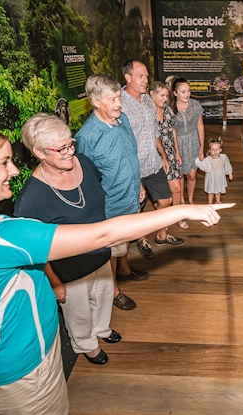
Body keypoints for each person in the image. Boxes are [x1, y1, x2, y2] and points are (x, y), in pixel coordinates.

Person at [0, 122, 230, 415]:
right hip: (19, 368)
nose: (13, 170)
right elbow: (102, 234)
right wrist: (182, 211)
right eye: (4, 162)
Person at [14, 113, 118, 365]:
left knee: (103, 299)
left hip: (100, 255)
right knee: (79, 313)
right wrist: (55, 282)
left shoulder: (83, 162)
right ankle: (87, 344)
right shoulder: (30, 199)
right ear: (39, 153)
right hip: (69, 271)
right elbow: (34, 252)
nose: (70, 152)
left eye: (71, 143)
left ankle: (102, 329)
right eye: (61, 149)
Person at [74, 74, 143, 311]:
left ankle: (124, 270)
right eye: (112, 99)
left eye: (119, 97)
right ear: (95, 101)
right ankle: (114, 292)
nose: (119, 104)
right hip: (110, 207)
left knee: (123, 245)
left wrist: (139, 185)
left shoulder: (122, 119)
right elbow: (86, 180)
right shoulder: (87, 137)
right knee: (112, 251)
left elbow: (130, 156)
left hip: (131, 196)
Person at [121, 59, 185, 254]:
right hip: (135, 167)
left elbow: (154, 133)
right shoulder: (121, 105)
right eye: (141, 76)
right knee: (137, 208)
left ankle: (161, 235)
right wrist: (136, 179)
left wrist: (164, 156)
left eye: (147, 76)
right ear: (128, 77)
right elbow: (123, 143)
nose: (145, 80)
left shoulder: (148, 100)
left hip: (154, 163)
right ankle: (141, 239)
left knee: (165, 201)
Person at [149, 81, 187, 229]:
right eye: (162, 95)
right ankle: (161, 221)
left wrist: (177, 152)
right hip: (154, 156)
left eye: (166, 95)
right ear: (152, 94)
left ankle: (175, 218)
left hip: (170, 154)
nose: (165, 99)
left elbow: (173, 131)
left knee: (176, 188)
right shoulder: (146, 113)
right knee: (160, 195)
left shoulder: (167, 110)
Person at [171, 77, 205, 204]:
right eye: (183, 92)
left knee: (192, 175)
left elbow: (200, 126)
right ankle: (182, 200)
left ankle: (190, 199)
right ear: (175, 93)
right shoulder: (170, 108)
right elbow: (172, 131)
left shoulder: (195, 105)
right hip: (177, 144)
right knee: (179, 175)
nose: (187, 94)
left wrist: (202, 147)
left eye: (188, 91)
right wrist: (176, 152)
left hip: (193, 142)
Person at [195, 138, 233, 204]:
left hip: (219, 178)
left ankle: (218, 201)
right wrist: (197, 160)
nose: (215, 151)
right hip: (211, 179)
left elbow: (227, 165)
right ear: (209, 151)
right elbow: (203, 166)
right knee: (211, 192)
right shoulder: (207, 160)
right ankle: (210, 203)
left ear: (220, 150)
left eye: (217, 149)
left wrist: (229, 173)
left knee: (218, 191)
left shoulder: (223, 157)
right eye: (212, 149)